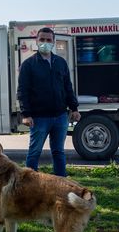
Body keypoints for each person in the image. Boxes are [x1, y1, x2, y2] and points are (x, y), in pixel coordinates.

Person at [17, 27, 81, 177]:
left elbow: (68, 87)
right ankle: (29, 183)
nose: (45, 42)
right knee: (34, 152)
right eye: (42, 39)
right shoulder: (28, 65)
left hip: (60, 116)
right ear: (36, 41)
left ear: (53, 42)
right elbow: (22, 92)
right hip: (39, 118)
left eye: (48, 40)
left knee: (59, 152)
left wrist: (74, 108)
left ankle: (61, 183)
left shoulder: (61, 63)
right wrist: (26, 114)